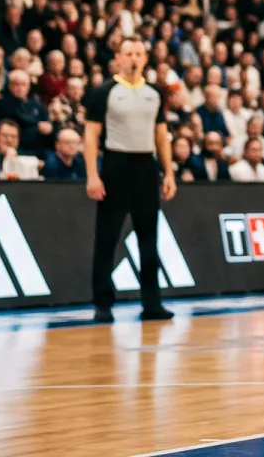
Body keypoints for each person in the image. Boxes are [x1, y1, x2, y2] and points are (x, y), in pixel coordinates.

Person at [84, 37, 178, 324]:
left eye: (138, 53)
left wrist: (169, 172)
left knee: (149, 239)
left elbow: (162, 136)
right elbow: (91, 135)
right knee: (107, 239)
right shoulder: (104, 92)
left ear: (145, 58)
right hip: (116, 164)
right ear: (118, 59)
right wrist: (92, 175)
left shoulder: (154, 93)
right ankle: (103, 303)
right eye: (128, 53)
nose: (133, 58)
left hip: (146, 168)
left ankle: (152, 303)